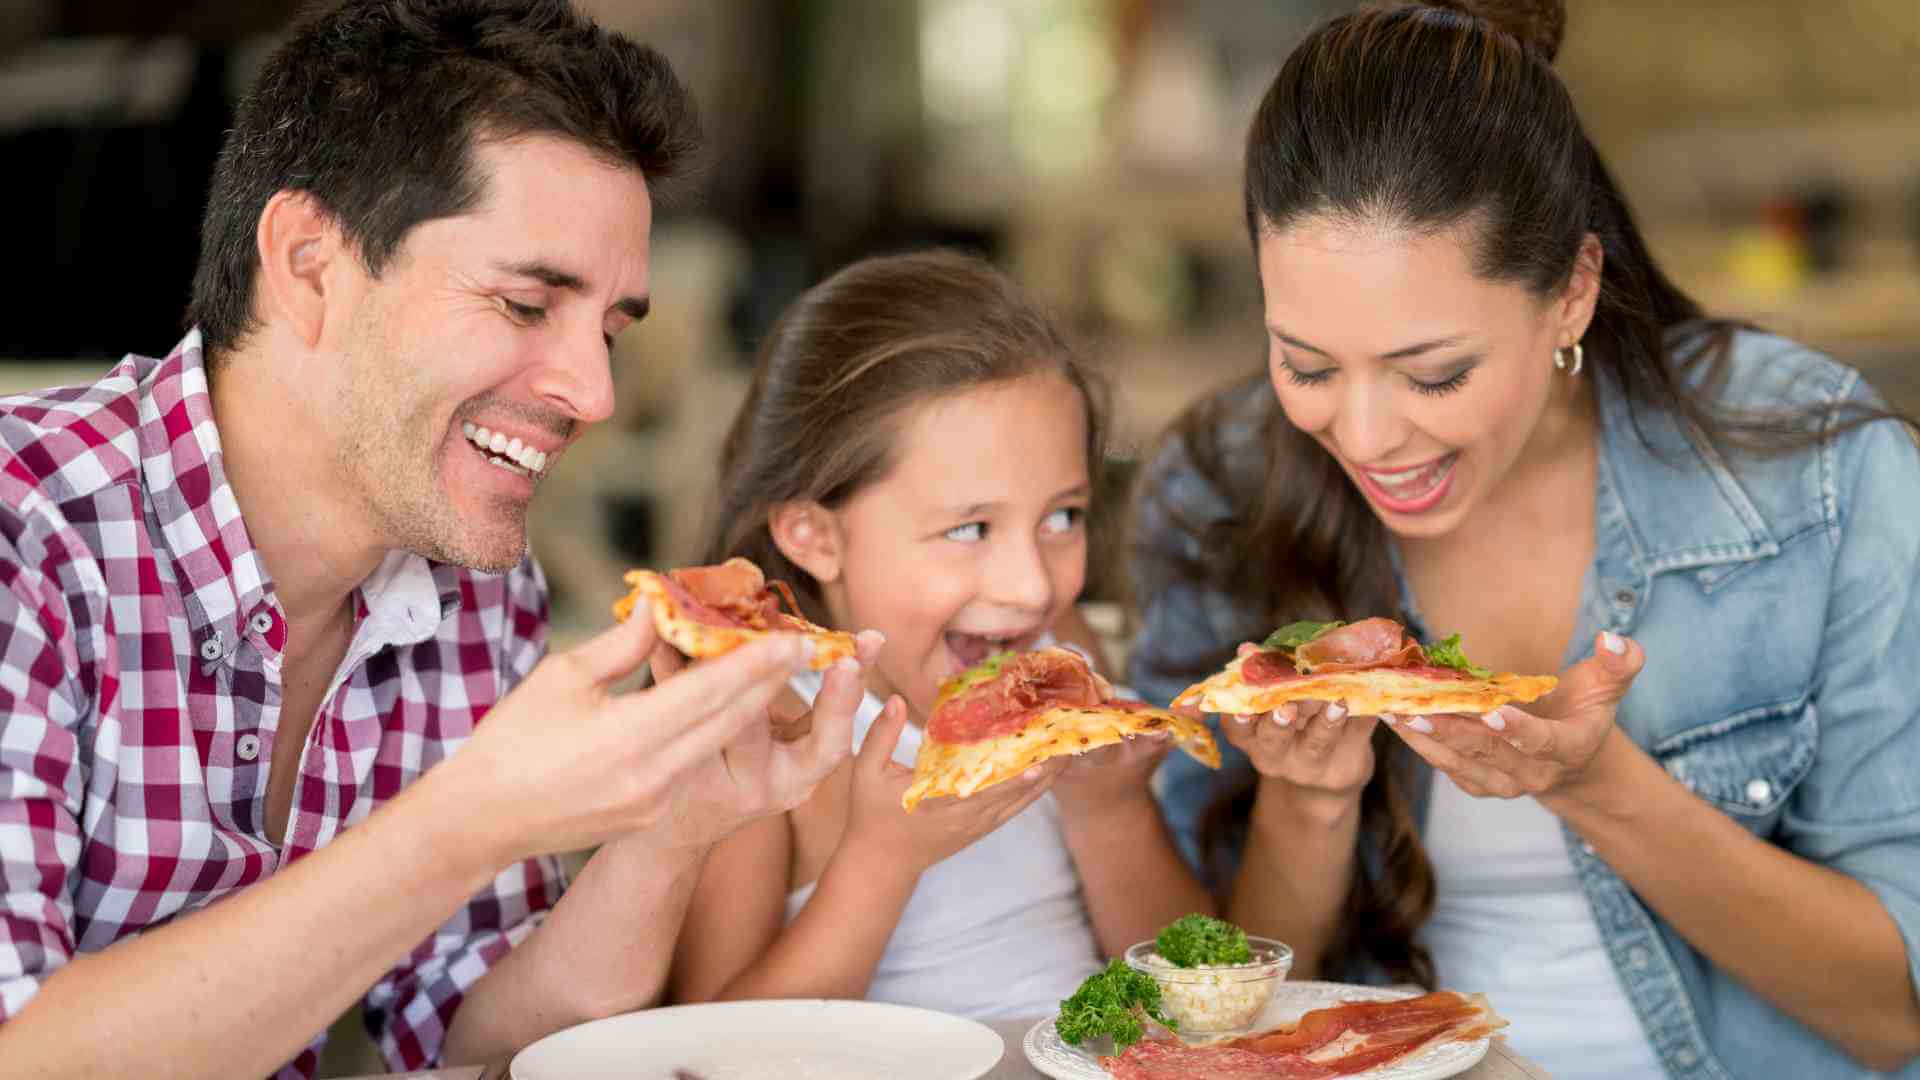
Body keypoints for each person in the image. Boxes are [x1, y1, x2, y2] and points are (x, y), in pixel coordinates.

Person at [0, 1, 875, 1075]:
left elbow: (473, 1040)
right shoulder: (23, 534)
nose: (594, 392)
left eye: (608, 327)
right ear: (311, 264)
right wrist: (471, 817)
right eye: (523, 306)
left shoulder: (472, 580)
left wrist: (673, 826)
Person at [1126, 2, 1920, 1077]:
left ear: (1572, 294)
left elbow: (1898, 1013)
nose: (1362, 436)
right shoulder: (1218, 491)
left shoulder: (1813, 468)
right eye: (1306, 366)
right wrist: (1307, 805)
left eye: (1434, 373)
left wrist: (1598, 788)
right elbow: (1208, 1024)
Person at [665, 250, 1213, 1019]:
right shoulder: (759, 723)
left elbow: (1193, 1003)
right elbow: (705, 1052)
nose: (1030, 586)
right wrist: (883, 860)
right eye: (970, 529)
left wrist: (1110, 812)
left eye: (1063, 518)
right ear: (814, 537)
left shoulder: (1060, 651)